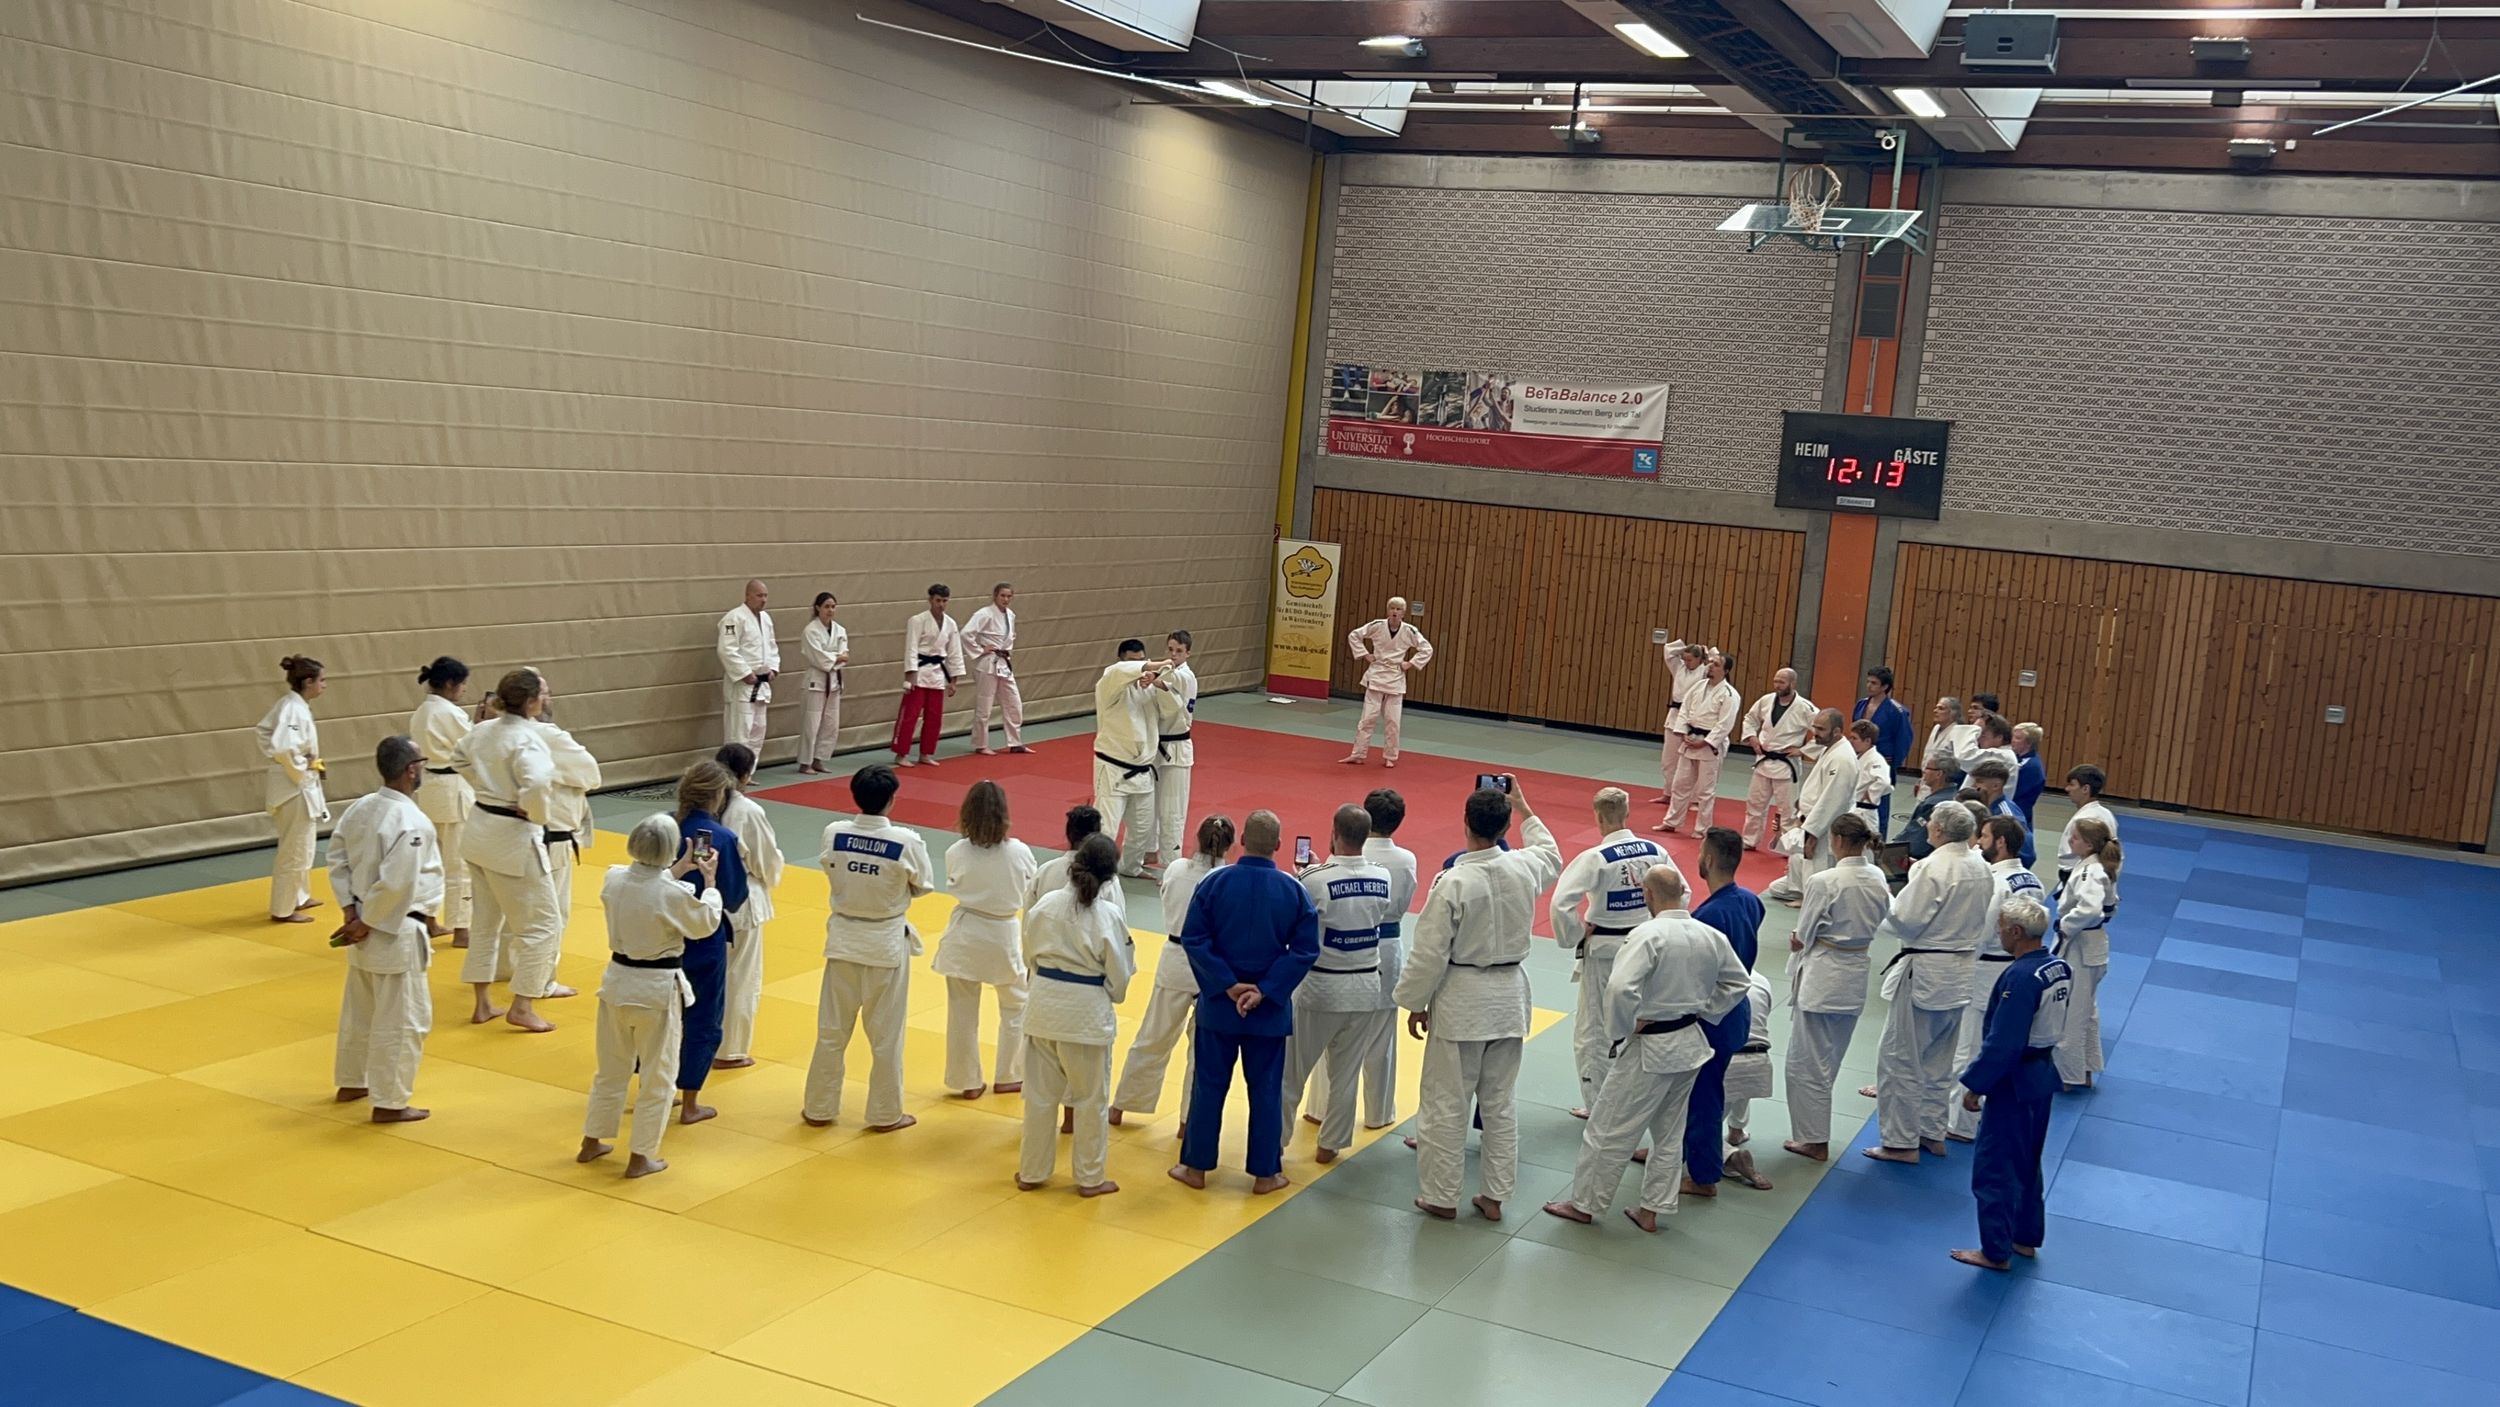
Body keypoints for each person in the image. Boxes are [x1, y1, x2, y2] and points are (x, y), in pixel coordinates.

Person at [1541, 866, 1750, 1233]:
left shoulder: (1647, 934)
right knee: (1669, 1133)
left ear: (1647, 895)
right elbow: (1738, 982)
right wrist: (1705, 1009)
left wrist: (1622, 1030)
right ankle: (1652, 1209)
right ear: (1681, 891)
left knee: (1607, 1127)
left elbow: (1620, 989)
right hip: (1690, 1042)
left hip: (1651, 1046)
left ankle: (1585, 1205)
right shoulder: (1710, 935)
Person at [1397, 777, 1562, 1222]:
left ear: (1465, 822)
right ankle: (1495, 1196)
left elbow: (1429, 952)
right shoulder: (1524, 867)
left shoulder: (1453, 881)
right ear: (1506, 828)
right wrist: (1525, 808)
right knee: (1500, 1103)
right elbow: (1550, 852)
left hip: (1462, 1001)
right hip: (1509, 997)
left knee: (1446, 1103)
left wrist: (1415, 1001)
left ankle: (1441, 1195)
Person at [1171, 811, 1318, 1195]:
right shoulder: (1293, 890)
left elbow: (1194, 939)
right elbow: (1305, 950)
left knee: (1208, 1086)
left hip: (1220, 1006)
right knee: (1267, 1091)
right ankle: (1266, 1175)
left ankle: (1196, 1168)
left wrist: (1228, 984)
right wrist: (1264, 990)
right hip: (1268, 1011)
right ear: (1278, 846)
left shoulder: (1214, 883)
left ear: (1242, 842)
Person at [578, 815, 724, 1180]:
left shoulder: (613, 878)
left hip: (616, 983)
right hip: (655, 990)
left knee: (611, 1069)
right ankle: (641, 1155)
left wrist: (678, 869)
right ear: (671, 849)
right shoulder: (672, 894)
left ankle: (591, 1141)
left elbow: (647, 888)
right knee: (658, 1077)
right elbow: (704, 923)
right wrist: (709, 882)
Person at [803, 765, 933, 1132]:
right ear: (892, 799)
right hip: (884, 943)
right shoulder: (906, 841)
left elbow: (830, 869)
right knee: (886, 1036)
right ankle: (885, 1113)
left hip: (843, 939)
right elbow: (923, 885)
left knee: (831, 1030)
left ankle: (818, 1107)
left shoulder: (834, 832)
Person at [1866, 803, 1994, 1163]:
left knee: (1900, 1059)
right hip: (1962, 970)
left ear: (1938, 830)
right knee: (1940, 1060)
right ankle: (1932, 1133)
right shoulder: (1981, 867)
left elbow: (1905, 921)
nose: (1926, 829)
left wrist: (1887, 894)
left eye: (1930, 825)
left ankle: (1900, 1143)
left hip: (1927, 969)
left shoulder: (1933, 867)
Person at [326, 736, 445, 1124]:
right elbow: (397, 882)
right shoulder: (411, 821)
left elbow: (337, 859)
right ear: (411, 770)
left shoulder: (361, 808)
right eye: (421, 763)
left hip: (363, 921)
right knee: (403, 1019)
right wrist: (365, 922)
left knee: (360, 1010)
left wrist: (350, 910)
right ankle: (390, 1101)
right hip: (394, 929)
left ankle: (352, 1081)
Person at [1951, 896, 2071, 1271]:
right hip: (2041, 1076)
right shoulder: (2057, 966)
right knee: (2027, 1161)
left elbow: (2004, 1042)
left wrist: (1976, 1085)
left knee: (1996, 1166)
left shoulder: (2020, 978)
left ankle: (1995, 1250)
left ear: (2016, 932)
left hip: (2014, 1081)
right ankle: (2024, 1236)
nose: (1999, 934)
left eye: (2001, 928)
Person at [1017, 834, 1135, 1196]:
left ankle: (1031, 1172)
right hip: (1086, 1015)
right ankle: (1089, 1178)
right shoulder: (1108, 915)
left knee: (1039, 1097)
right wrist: (1110, 994)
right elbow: (1120, 974)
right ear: (1110, 876)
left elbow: (1029, 954)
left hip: (1043, 1006)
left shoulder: (1046, 904)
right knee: (1090, 1100)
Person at [1549, 788, 1677, 1117]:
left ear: (1598, 816)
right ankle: (1642, 1097)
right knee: (1642, 1021)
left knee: (1595, 1030)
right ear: (1627, 814)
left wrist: (1576, 934)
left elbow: (1561, 904)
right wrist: (1660, 925)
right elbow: (1681, 892)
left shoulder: (1596, 857)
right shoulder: (1656, 850)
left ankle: (1600, 1106)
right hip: (1648, 947)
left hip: (1605, 953)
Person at [1283, 805, 1399, 1164]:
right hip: (1365, 985)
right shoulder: (1382, 876)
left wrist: (1309, 875)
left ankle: (1274, 1145)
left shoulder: (1312, 879)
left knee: (1291, 1074)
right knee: (1345, 1074)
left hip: (1322, 985)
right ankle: (1330, 1144)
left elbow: (1299, 921)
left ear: (1333, 834)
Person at [451, 670, 563, 1032]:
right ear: (531, 702)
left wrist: (486, 789)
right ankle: (523, 1005)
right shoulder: (528, 738)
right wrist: (534, 811)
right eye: (541, 695)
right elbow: (539, 782)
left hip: (479, 830)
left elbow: (458, 759)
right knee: (544, 924)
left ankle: (483, 1003)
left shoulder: (483, 730)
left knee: (485, 922)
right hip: (512, 839)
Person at [1302, 787, 1419, 1132]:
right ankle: (1379, 1112)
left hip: (1344, 947)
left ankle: (1320, 1108)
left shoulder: (1346, 853)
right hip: (1388, 945)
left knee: (1331, 1031)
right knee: (1382, 1035)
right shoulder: (1406, 860)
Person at [1112, 814, 1232, 1127]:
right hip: (1213, 970)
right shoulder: (1228, 879)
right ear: (1230, 846)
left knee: (1152, 1038)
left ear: (1197, 839)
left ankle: (1121, 1106)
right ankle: (1188, 1122)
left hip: (1176, 961)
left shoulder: (1177, 869)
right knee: (1203, 1051)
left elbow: (1168, 901)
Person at [1781, 813, 1888, 1161]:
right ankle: (1815, 1135)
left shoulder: (1825, 880)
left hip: (1824, 976)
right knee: (1830, 1060)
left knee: (1805, 1063)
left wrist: (1797, 939)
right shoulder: (1877, 876)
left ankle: (1814, 1140)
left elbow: (1804, 933)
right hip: (1855, 972)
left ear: (1838, 840)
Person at [936, 780, 1039, 1099]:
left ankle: (966, 1080)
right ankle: (1010, 1074)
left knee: (961, 1012)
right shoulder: (1019, 852)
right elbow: (1031, 889)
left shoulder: (956, 851)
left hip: (965, 933)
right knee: (1015, 1006)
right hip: (1002, 933)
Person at [1947, 816, 2047, 1143]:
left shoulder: (1997, 882)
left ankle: (1960, 1123)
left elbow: (1983, 930)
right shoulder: (2031, 878)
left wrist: (1961, 963)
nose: (1979, 842)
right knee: (1994, 1040)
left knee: (1969, 1046)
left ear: (2001, 842)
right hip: (2015, 966)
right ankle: (1974, 1114)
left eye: (1985, 836)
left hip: (1986, 969)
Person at [1682, 827, 1763, 1197]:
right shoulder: (1750, 901)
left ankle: (1703, 1177)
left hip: (1713, 1016)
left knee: (1703, 1095)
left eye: (1701, 853)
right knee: (1696, 1092)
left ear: (1709, 859)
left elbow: (1697, 975)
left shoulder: (1708, 918)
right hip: (1737, 1011)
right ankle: (1679, 1152)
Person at [670, 762, 747, 1126]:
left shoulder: (664, 827)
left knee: (659, 1016)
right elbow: (733, 895)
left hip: (661, 932)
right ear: (718, 796)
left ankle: (655, 1088)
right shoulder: (716, 837)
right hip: (702, 937)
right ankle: (690, 1103)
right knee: (702, 1016)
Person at [713, 744, 783, 1070]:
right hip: (740, 902)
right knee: (740, 977)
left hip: (703, 899)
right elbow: (765, 860)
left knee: (705, 975)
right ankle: (730, 1050)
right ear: (746, 775)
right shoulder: (747, 811)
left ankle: (698, 1040)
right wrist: (771, 874)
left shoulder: (699, 803)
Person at [531, 679, 602, 985]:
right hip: (551, 834)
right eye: (545, 693)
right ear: (532, 700)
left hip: (507, 834)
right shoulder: (550, 736)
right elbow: (591, 774)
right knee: (552, 912)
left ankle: (507, 968)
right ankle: (542, 980)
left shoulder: (494, 730)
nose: (550, 698)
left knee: (511, 912)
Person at [257, 654, 330, 923]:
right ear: (308, 682)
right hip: (293, 787)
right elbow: (284, 747)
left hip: (298, 785)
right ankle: (283, 909)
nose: (324, 685)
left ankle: (299, 896)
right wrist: (301, 766)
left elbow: (264, 731)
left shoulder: (293, 705)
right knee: (294, 850)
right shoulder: (292, 709)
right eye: (322, 680)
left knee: (304, 845)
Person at [409, 657, 474, 949]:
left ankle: (429, 919)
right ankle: (462, 929)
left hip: (429, 788)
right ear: (450, 684)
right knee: (459, 864)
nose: (464, 690)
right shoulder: (450, 713)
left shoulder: (421, 712)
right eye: (462, 684)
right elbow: (472, 747)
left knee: (430, 861)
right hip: (451, 790)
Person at [1092, 642, 1171, 878]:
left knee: (1142, 828)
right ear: (1121, 661)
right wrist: (1154, 664)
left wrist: (1157, 677)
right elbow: (1119, 671)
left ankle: (1130, 866)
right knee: (1106, 827)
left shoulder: (1148, 687)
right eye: (1134, 662)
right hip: (1114, 767)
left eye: (1142, 660)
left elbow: (1172, 708)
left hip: (1143, 769)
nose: (1141, 666)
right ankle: (1095, 871)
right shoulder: (1109, 682)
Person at [2053, 819, 2122, 1092]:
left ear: (2090, 844)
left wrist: (2066, 925)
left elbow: (2091, 909)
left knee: (2071, 1014)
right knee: (2087, 1011)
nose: (2071, 841)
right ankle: (2085, 1069)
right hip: (2093, 946)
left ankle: (2068, 1076)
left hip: (2081, 947)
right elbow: (2111, 906)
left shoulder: (2090, 871)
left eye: (2076, 838)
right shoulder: (2097, 867)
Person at [1763, 709, 1853, 905]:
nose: (1815, 733)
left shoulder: (1842, 758)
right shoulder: (1830, 749)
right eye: (1814, 727)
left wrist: (1813, 832)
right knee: (1792, 876)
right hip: (1810, 821)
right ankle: (1804, 894)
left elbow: (1832, 800)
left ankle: (1813, 903)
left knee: (1817, 872)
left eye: (1821, 729)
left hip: (1823, 827)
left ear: (1837, 731)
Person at [1340, 597, 1434, 768]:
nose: (1395, 612)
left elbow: (1427, 649)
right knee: (1367, 719)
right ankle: (1358, 754)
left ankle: (1390, 756)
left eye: (1398, 609)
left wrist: (1410, 663)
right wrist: (1364, 654)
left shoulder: (1410, 631)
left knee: (1393, 722)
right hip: (1377, 673)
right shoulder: (1377, 625)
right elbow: (1354, 635)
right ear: (1387, 610)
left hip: (1395, 677)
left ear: (1403, 613)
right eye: (1392, 608)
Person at [1658, 645, 1741, 835]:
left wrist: (1706, 742)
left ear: (1726, 671)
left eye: (1716, 664)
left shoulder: (1730, 694)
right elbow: (1684, 710)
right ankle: (1671, 821)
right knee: (1680, 784)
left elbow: (1725, 724)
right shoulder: (1698, 686)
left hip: (1709, 745)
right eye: (1710, 663)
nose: (1711, 666)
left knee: (1705, 790)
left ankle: (1702, 828)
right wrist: (1683, 732)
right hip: (1690, 739)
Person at [1737, 668, 1815, 851]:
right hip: (1763, 761)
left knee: (1788, 812)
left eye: (1782, 682)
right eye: (1775, 681)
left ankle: (1788, 847)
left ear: (1792, 684)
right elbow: (1750, 719)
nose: (1777, 685)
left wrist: (1803, 750)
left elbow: (1822, 731)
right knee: (1754, 805)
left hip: (1786, 766)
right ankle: (1749, 840)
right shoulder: (1766, 700)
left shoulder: (1805, 707)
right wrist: (1752, 737)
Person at [1720, 964, 1779, 1190]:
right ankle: (1736, 1130)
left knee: (1689, 1122)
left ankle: (1730, 1155)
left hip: (1726, 1062)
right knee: (1740, 1081)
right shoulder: (1761, 980)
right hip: (1760, 1059)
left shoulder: (1713, 977)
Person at [895, 585, 963, 767]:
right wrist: (910, 675)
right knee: (910, 716)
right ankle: (901, 753)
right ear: (930, 600)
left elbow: (955, 652)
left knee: (934, 718)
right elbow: (911, 648)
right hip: (919, 672)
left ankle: (925, 753)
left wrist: (953, 680)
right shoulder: (917, 620)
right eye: (938, 600)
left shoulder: (951, 624)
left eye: (945, 601)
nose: (941, 604)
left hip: (938, 674)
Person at [1150, 630, 1200, 870]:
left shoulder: (1186, 676)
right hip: (1156, 748)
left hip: (1178, 749)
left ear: (1188, 653)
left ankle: (1171, 862)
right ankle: (1148, 851)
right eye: (1170, 650)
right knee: (1149, 805)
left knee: (1173, 809)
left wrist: (1155, 678)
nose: (1174, 655)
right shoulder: (1166, 671)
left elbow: (1170, 686)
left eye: (1179, 651)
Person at [964, 582, 1025, 756]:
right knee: (985, 706)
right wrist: (980, 650)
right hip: (988, 664)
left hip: (1004, 663)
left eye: (1009, 596)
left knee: (1014, 703)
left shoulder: (1010, 615)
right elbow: (966, 634)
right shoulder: (984, 613)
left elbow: (1009, 638)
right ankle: (980, 744)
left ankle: (1015, 742)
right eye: (1002, 596)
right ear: (995, 596)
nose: (1006, 599)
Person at [717, 579, 779, 748]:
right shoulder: (734, 617)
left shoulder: (766, 618)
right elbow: (726, 650)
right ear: (747, 596)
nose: (763, 600)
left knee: (758, 733)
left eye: (765, 596)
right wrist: (745, 673)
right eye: (759, 595)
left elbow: (772, 646)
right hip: (742, 686)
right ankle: (734, 766)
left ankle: (750, 766)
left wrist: (773, 668)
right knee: (739, 734)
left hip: (762, 684)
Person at [1853, 667, 1916, 832]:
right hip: (1860, 758)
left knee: (1879, 805)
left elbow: (1904, 739)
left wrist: (1893, 765)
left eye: (1874, 683)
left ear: (1885, 686)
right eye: (1868, 681)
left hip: (1883, 760)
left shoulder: (1897, 711)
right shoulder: (1861, 704)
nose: (1869, 685)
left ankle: (1878, 840)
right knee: (1855, 800)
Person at [797, 592, 848, 774]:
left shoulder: (840, 630)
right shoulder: (810, 631)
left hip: (834, 681)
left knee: (830, 724)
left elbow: (845, 655)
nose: (830, 610)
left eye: (833, 606)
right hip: (816, 681)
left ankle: (819, 759)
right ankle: (805, 762)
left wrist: (836, 658)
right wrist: (836, 657)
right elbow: (818, 657)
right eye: (826, 606)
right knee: (811, 724)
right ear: (817, 608)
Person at [1965, 757, 2034, 868]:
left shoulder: (2007, 815)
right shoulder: (1983, 807)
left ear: (1996, 786)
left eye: (1979, 782)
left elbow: (2028, 853)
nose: (1973, 787)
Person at [1896, 750, 1961, 862]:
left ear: (1939, 774)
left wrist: (1895, 848)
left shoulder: (1935, 804)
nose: (1924, 771)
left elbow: (1917, 838)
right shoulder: (1953, 794)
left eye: (1928, 768)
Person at [2059, 765, 2119, 879]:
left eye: (2072, 784)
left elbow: (2068, 854)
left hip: (2080, 874)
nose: (2067, 789)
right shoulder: (2106, 814)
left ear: (2085, 789)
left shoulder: (2083, 820)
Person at [1917, 697, 1972, 802]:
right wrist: (1921, 780)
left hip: (1942, 783)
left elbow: (1956, 763)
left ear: (1952, 713)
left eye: (1941, 708)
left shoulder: (1958, 732)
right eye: (1936, 707)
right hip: (1927, 780)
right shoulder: (1936, 728)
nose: (1935, 711)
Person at [1848, 720, 1894, 830]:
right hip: (1854, 808)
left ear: (1868, 741)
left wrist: (1871, 793)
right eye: (1850, 738)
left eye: (1854, 738)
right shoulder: (1859, 756)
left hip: (1865, 812)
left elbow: (1884, 782)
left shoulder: (1876, 759)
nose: (1851, 741)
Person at [1955, 713, 2020, 789]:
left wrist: (1974, 728)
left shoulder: (2003, 756)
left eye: (1982, 735)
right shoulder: (2000, 754)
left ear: (1999, 737)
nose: (1978, 739)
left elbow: (1964, 757)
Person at [2011, 723, 2047, 831]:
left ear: (2028, 743)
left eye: (2017, 738)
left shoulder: (2031, 767)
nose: (2012, 740)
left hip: (2018, 816)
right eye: (2013, 736)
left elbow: (2014, 793)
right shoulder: (2017, 758)